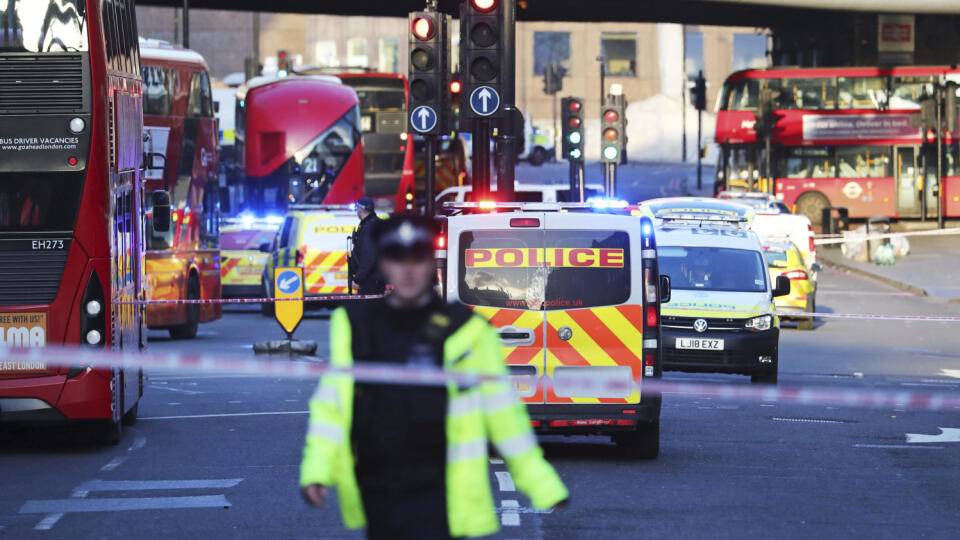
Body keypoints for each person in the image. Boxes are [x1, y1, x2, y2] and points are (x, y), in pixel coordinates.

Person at [300, 216, 568, 540]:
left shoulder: (467, 329)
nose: (408, 269)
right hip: (379, 485)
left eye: (418, 258)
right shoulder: (355, 324)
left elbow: (503, 414)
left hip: (443, 490)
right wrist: (317, 470)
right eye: (398, 259)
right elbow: (333, 406)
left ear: (431, 263)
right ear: (384, 264)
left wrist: (540, 482)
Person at [350, 197, 385, 294]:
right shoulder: (379, 224)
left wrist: (358, 279)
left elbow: (368, 256)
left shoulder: (368, 227)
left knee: (367, 307)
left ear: (360, 209)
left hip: (369, 280)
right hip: (379, 278)